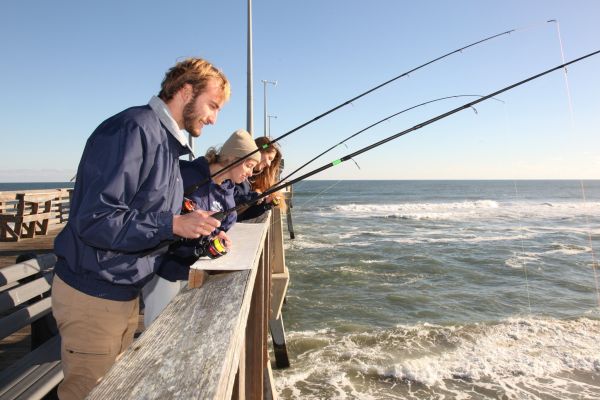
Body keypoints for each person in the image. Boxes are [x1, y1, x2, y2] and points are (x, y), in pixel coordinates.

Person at [51, 57, 230, 400]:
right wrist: (173, 223)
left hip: (121, 292)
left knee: (112, 391)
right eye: (212, 105)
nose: (213, 118)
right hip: (92, 294)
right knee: (89, 392)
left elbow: (153, 216)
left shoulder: (165, 143)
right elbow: (95, 219)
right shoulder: (134, 129)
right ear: (185, 90)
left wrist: (198, 229)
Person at [142, 129, 260, 326]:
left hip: (195, 270)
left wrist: (218, 234)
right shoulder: (185, 174)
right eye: (248, 165)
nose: (250, 173)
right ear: (232, 158)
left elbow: (221, 225)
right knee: (158, 327)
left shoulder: (228, 191)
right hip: (163, 268)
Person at [234, 136, 284, 221]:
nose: (268, 164)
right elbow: (230, 202)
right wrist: (255, 196)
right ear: (258, 151)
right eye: (269, 158)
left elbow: (242, 215)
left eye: (271, 160)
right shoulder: (236, 175)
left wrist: (266, 205)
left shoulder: (247, 183)